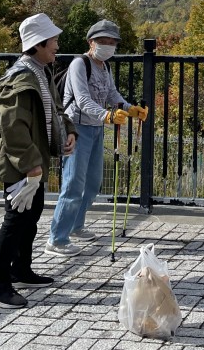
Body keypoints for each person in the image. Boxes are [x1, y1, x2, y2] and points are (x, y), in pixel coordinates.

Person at [0, 12, 77, 309]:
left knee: (31, 216)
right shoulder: (22, 76)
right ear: (38, 44)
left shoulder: (40, 70)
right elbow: (13, 127)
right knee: (15, 221)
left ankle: (20, 270)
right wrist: (30, 165)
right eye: (53, 40)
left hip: (31, 161)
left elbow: (56, 108)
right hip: (19, 163)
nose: (57, 45)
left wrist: (69, 131)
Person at [46, 19, 148, 255]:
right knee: (73, 184)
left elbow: (111, 94)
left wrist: (130, 108)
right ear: (91, 42)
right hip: (77, 129)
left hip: (96, 128)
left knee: (92, 184)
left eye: (112, 42)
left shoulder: (104, 66)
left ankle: (76, 226)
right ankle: (57, 239)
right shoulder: (79, 64)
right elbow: (81, 100)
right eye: (103, 41)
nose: (108, 46)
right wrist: (108, 115)